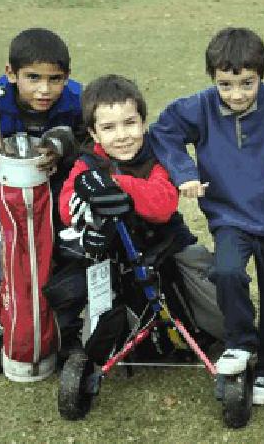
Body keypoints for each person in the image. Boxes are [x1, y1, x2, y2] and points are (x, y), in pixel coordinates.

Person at [148, 27, 264, 406]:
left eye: (247, 83)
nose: (236, 94)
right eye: (226, 84)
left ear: (261, 75)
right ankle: (240, 343)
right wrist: (184, 173)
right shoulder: (199, 107)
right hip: (229, 216)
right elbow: (163, 132)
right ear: (214, 79)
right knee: (228, 272)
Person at [0, 28, 84, 375]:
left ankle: (66, 334)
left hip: (60, 201)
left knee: (64, 263)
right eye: (33, 77)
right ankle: (3, 334)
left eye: (54, 79)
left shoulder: (77, 101)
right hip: (10, 203)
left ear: (66, 78)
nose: (44, 89)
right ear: (11, 73)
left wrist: (61, 145)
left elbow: (91, 136)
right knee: (4, 266)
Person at [51, 74, 199, 359]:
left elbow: (162, 205)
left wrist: (116, 185)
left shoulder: (157, 156)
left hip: (165, 248)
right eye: (108, 127)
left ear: (143, 123)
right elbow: (67, 209)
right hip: (114, 257)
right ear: (94, 134)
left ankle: (193, 332)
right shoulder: (88, 163)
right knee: (78, 291)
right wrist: (88, 199)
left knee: (211, 288)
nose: (122, 136)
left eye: (130, 123)